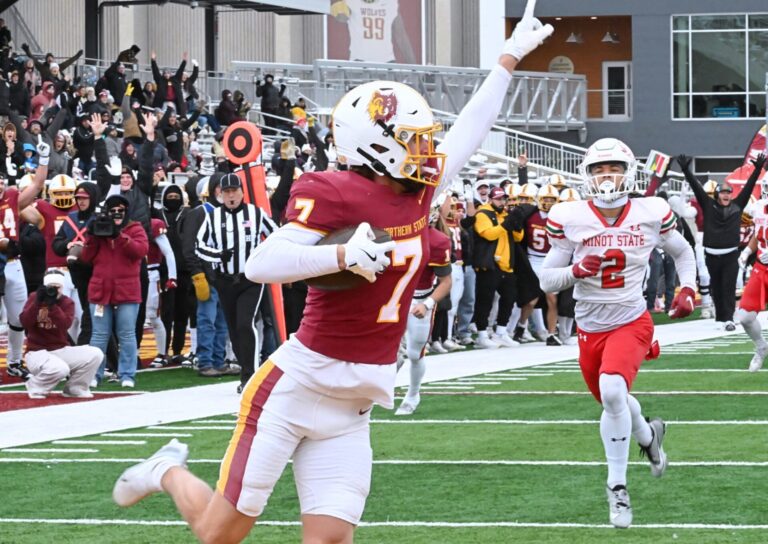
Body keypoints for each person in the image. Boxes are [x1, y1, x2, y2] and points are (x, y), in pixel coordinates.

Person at [111, 4, 552, 541]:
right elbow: (261, 263)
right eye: (412, 140)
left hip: (355, 402)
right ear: (373, 143)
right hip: (298, 384)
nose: (427, 150)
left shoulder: (420, 191)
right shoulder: (334, 190)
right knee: (219, 532)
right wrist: (340, 256)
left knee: (330, 539)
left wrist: (507, 60)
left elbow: (471, 130)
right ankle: (166, 470)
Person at [539, 137, 698, 528]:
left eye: (613, 168)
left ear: (628, 173)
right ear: (587, 175)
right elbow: (546, 279)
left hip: (631, 319)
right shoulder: (569, 216)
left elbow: (682, 251)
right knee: (616, 402)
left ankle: (617, 488)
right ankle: (650, 437)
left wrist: (688, 288)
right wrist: (575, 272)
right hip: (590, 326)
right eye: (598, 169)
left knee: (613, 391)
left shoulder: (651, 211)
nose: (606, 176)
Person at [195, 173, 277, 389]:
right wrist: (218, 255)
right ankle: (246, 369)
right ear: (220, 195)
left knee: (245, 323)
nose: (231, 196)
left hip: (251, 278)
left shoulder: (256, 213)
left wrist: (265, 259)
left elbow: (276, 236)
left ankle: (250, 377)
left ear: (242, 192)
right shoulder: (213, 217)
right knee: (233, 328)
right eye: (227, 192)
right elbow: (200, 245)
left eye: (234, 191)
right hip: (224, 280)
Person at [677, 153, 766, 330]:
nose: (727, 195)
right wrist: (687, 170)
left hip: (731, 254)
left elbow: (748, 188)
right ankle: (721, 318)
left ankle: (729, 319)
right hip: (711, 254)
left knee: (728, 285)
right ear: (717, 195)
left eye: (729, 193)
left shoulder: (737, 205)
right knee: (716, 287)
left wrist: (756, 170)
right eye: (723, 193)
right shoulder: (708, 206)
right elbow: (697, 189)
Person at [81, 194, 148, 388]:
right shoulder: (100, 229)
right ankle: (95, 374)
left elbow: (140, 251)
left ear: (127, 212)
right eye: (113, 211)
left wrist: (119, 236)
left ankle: (127, 374)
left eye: (120, 210)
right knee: (99, 335)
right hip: (101, 290)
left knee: (126, 334)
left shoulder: (135, 229)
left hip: (127, 291)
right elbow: (86, 257)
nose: (117, 214)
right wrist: (92, 236)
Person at [19, 268, 102, 399]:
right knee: (60, 369)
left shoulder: (67, 302)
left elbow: (64, 325)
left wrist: (53, 307)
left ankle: (75, 388)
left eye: (57, 287)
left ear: (63, 287)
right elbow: (25, 323)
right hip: (36, 352)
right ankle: (35, 385)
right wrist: (36, 304)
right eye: (50, 287)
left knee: (95, 354)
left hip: (60, 349)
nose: (54, 290)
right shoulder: (35, 298)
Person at [395, 224, 452, 415]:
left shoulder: (437, 240)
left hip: (419, 299)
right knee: (383, 350)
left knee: (414, 353)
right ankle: (378, 391)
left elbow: (446, 282)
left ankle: (413, 394)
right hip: (392, 298)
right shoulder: (390, 228)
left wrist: (427, 304)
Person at [736, 167, 768, 372]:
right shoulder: (759, 208)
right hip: (761, 268)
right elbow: (758, 235)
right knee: (745, 317)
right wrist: (746, 252)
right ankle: (761, 347)